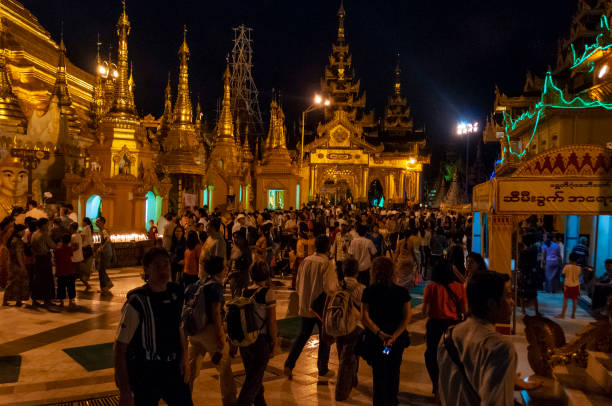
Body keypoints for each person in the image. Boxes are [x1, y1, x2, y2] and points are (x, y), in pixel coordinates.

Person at [437, 271, 541, 406]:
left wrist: (507, 381)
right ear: (492, 304)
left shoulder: (448, 337)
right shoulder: (500, 348)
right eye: (508, 296)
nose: (513, 303)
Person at [114, 247, 192, 406]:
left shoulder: (175, 293)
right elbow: (120, 347)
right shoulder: (138, 302)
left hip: (173, 368)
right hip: (147, 372)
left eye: (166, 265)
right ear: (147, 269)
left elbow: (179, 328)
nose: (163, 270)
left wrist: (185, 358)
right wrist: (125, 391)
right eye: (157, 266)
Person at [284, 235, 336, 379]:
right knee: (324, 336)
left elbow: (298, 281)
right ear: (327, 247)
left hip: (306, 303)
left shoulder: (305, 261)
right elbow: (330, 288)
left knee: (302, 335)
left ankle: (289, 364)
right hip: (320, 308)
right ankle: (323, 368)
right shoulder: (326, 264)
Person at [361, 256, 412, 406]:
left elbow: (364, 317)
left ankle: (379, 401)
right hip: (394, 342)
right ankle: (392, 400)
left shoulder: (369, 292)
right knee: (394, 370)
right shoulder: (401, 292)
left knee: (379, 373)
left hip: (378, 341)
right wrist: (394, 336)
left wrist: (379, 333)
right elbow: (406, 317)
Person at [187, 256, 237, 406]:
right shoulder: (215, 286)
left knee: (191, 367)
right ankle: (230, 401)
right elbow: (215, 313)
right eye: (224, 267)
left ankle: (183, 397)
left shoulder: (197, 283)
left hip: (195, 332)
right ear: (219, 270)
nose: (227, 269)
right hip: (210, 331)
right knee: (225, 368)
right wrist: (221, 337)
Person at [422, 260, 467, 397]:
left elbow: (424, 311)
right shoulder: (460, 287)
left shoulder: (431, 287)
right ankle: (449, 386)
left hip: (435, 325)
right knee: (451, 357)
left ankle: (437, 385)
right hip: (452, 326)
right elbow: (464, 310)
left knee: (431, 355)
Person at [236, 261, 278, 406]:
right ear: (266, 274)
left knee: (254, 378)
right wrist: (275, 342)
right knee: (252, 381)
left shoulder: (244, 291)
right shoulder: (268, 293)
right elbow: (272, 321)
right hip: (260, 341)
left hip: (245, 341)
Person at [334, 258, 365, 402]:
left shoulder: (336, 286)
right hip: (355, 327)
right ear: (357, 272)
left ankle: (352, 379)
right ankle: (341, 392)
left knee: (342, 354)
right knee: (349, 358)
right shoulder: (361, 289)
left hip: (338, 326)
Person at [30, 218, 56, 306]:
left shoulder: (34, 234)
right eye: (47, 224)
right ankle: (47, 299)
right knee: (47, 279)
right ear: (43, 225)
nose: (48, 225)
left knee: (38, 279)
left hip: (37, 258)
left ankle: (35, 299)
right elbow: (52, 245)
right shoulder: (44, 234)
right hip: (44, 258)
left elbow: (32, 247)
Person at [2, 224, 28, 306]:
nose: (24, 232)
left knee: (13, 282)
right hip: (17, 264)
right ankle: (15, 300)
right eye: (23, 231)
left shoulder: (12, 240)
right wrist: (22, 266)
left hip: (12, 264)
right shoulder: (18, 241)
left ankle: (14, 300)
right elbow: (19, 254)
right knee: (16, 282)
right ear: (19, 232)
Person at [518, 234, 541, 316]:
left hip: (524, 273)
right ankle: (536, 311)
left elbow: (520, 264)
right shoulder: (534, 250)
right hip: (532, 273)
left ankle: (523, 310)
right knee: (534, 293)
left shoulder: (523, 252)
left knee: (521, 293)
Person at [556, 252, 581, 319]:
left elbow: (563, 274)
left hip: (568, 285)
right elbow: (578, 275)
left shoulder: (567, 267)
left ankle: (563, 314)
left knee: (565, 301)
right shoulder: (579, 268)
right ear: (577, 260)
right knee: (575, 301)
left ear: (569, 259)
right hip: (576, 285)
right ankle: (573, 315)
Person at [55, 233, 76, 308]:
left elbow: (56, 258)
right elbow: (71, 256)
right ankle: (71, 301)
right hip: (69, 270)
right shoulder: (70, 248)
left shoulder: (58, 249)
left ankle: (61, 302)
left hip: (61, 270)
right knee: (70, 286)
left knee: (61, 286)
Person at [228, 231, 252, 297]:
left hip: (243, 278)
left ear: (243, 239)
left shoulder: (246, 250)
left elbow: (248, 264)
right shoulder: (233, 249)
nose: (236, 240)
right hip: (233, 278)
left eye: (238, 238)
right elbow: (230, 263)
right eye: (234, 238)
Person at [96, 217, 114, 294]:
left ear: (102, 222)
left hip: (106, 253)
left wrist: (102, 248)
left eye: (98, 222)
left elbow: (108, 239)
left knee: (101, 270)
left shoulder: (103, 231)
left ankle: (105, 287)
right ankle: (107, 285)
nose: (96, 223)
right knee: (101, 270)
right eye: (96, 222)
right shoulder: (101, 231)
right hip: (105, 252)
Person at [69, 222, 87, 291]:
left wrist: (69, 250)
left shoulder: (73, 236)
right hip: (78, 257)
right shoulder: (78, 235)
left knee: (74, 274)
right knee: (78, 273)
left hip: (75, 258)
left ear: (72, 228)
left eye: (70, 227)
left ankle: (72, 287)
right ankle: (86, 285)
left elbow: (76, 247)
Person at [80, 217, 94, 291]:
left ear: (85, 222)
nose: (82, 223)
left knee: (83, 264)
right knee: (87, 263)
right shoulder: (89, 228)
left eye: (82, 221)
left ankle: (84, 278)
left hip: (85, 248)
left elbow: (81, 238)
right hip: (90, 248)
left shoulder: (85, 228)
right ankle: (86, 278)